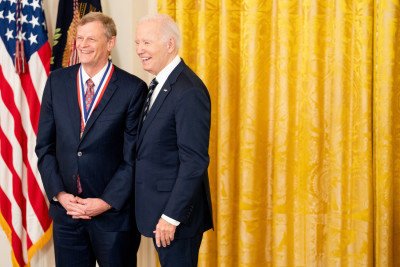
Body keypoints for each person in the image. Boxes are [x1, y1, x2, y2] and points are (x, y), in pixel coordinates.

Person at [35, 12, 146, 267]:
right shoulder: (57, 82)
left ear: (110, 43)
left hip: (113, 219)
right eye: (79, 38)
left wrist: (105, 202)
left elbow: (133, 158)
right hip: (68, 215)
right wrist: (60, 194)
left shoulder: (133, 90)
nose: (82, 45)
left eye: (91, 39)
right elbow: (45, 147)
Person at [134, 14, 213, 267]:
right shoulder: (161, 84)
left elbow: (194, 162)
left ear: (170, 45)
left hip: (176, 220)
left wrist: (171, 217)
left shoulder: (188, 90)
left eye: (146, 43)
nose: (139, 50)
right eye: (137, 43)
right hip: (158, 214)